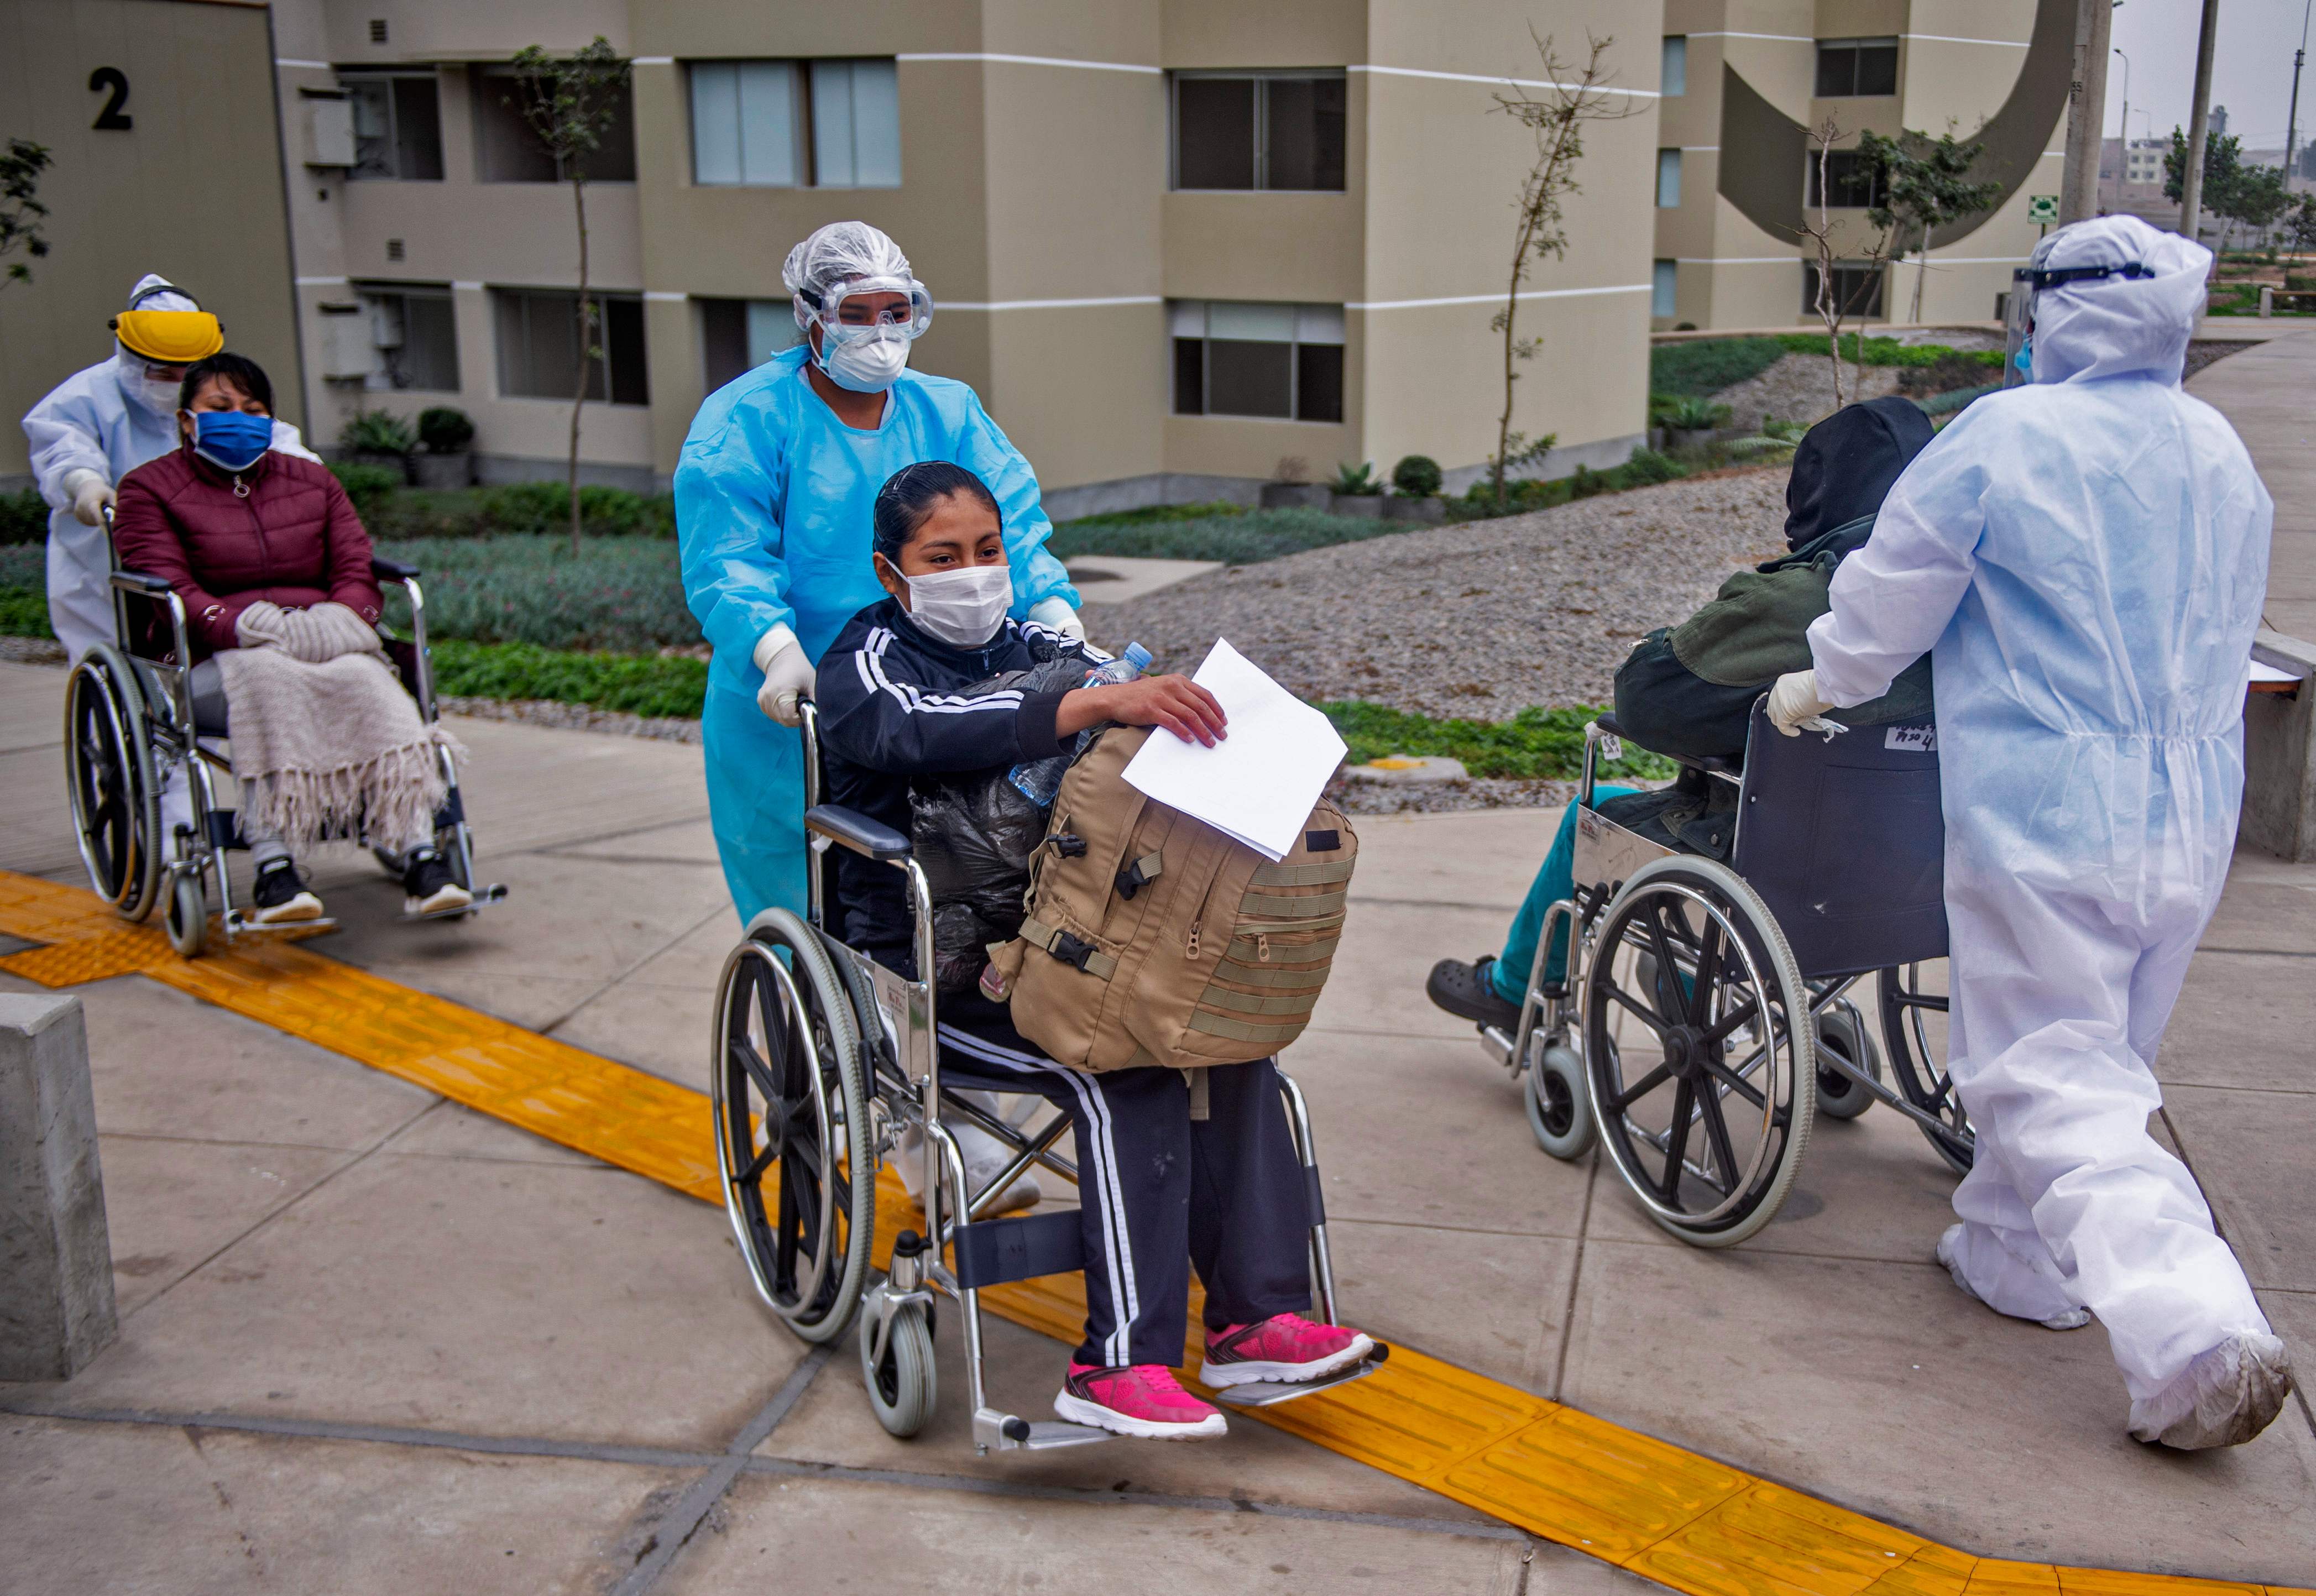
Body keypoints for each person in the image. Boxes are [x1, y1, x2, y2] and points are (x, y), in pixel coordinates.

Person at [1764, 215, 2287, 1450]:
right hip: (2194, 801)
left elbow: (1897, 589)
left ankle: (2194, 1330)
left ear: (2055, 310)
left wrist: (1819, 683)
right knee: (2104, 1054)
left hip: (2049, 800)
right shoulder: (2218, 449)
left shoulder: (2007, 436)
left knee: (2049, 1071)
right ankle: (2017, 1258)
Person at [813, 461, 1373, 1440]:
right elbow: (911, 732)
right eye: (942, 558)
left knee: (1227, 1043)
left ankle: (1250, 1322)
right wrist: (1088, 708)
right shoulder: (865, 662)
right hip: (928, 969)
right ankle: (1116, 1363)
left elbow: (1117, 710)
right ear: (891, 571)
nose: (973, 574)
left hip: (1065, 940)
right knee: (1126, 1073)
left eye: (987, 552)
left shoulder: (1037, 642)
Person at [1424, 397, 1935, 1033]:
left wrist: (1658, 647)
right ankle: (1685, 979)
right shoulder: (1974, 605)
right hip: (1912, 873)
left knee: (1596, 812)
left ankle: (1515, 987)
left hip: (1779, 870)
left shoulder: (1810, 600)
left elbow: (1648, 702)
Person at [676, 221, 1082, 934]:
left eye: (895, 313)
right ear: (811, 315)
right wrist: (773, 650)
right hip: (793, 705)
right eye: (855, 315)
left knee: (957, 880)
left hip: (934, 689)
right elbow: (727, 555)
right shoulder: (747, 421)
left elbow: (1010, 516)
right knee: (802, 906)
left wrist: (1050, 602)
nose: (879, 332)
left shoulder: (946, 409)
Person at [109, 353, 470, 924]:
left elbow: (355, 563)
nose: (238, 419)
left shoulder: (313, 481)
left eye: (253, 410)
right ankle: (275, 868)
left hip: (323, 640)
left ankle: (421, 853)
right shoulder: (147, 490)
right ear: (186, 420)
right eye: (220, 408)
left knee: (368, 677)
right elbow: (168, 583)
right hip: (212, 657)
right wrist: (239, 624)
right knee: (268, 679)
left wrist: (342, 620)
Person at [22, 276, 317, 666]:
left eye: (187, 372)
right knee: (125, 658)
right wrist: (83, 482)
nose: (176, 383)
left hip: (217, 553)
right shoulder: (86, 397)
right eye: (162, 374)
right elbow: (63, 446)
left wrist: (309, 476)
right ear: (131, 358)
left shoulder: (217, 394)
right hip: (109, 564)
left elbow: (271, 437)